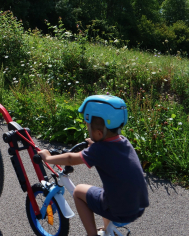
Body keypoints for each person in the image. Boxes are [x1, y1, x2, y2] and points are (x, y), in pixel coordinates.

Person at [38, 95, 149, 236]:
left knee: (78, 192)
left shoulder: (99, 150)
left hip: (119, 211)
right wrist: (95, 144)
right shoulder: (123, 141)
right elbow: (108, 151)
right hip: (138, 206)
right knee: (107, 189)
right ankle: (106, 229)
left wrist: (48, 157)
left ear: (98, 132)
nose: (87, 129)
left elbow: (71, 159)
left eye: (88, 126)